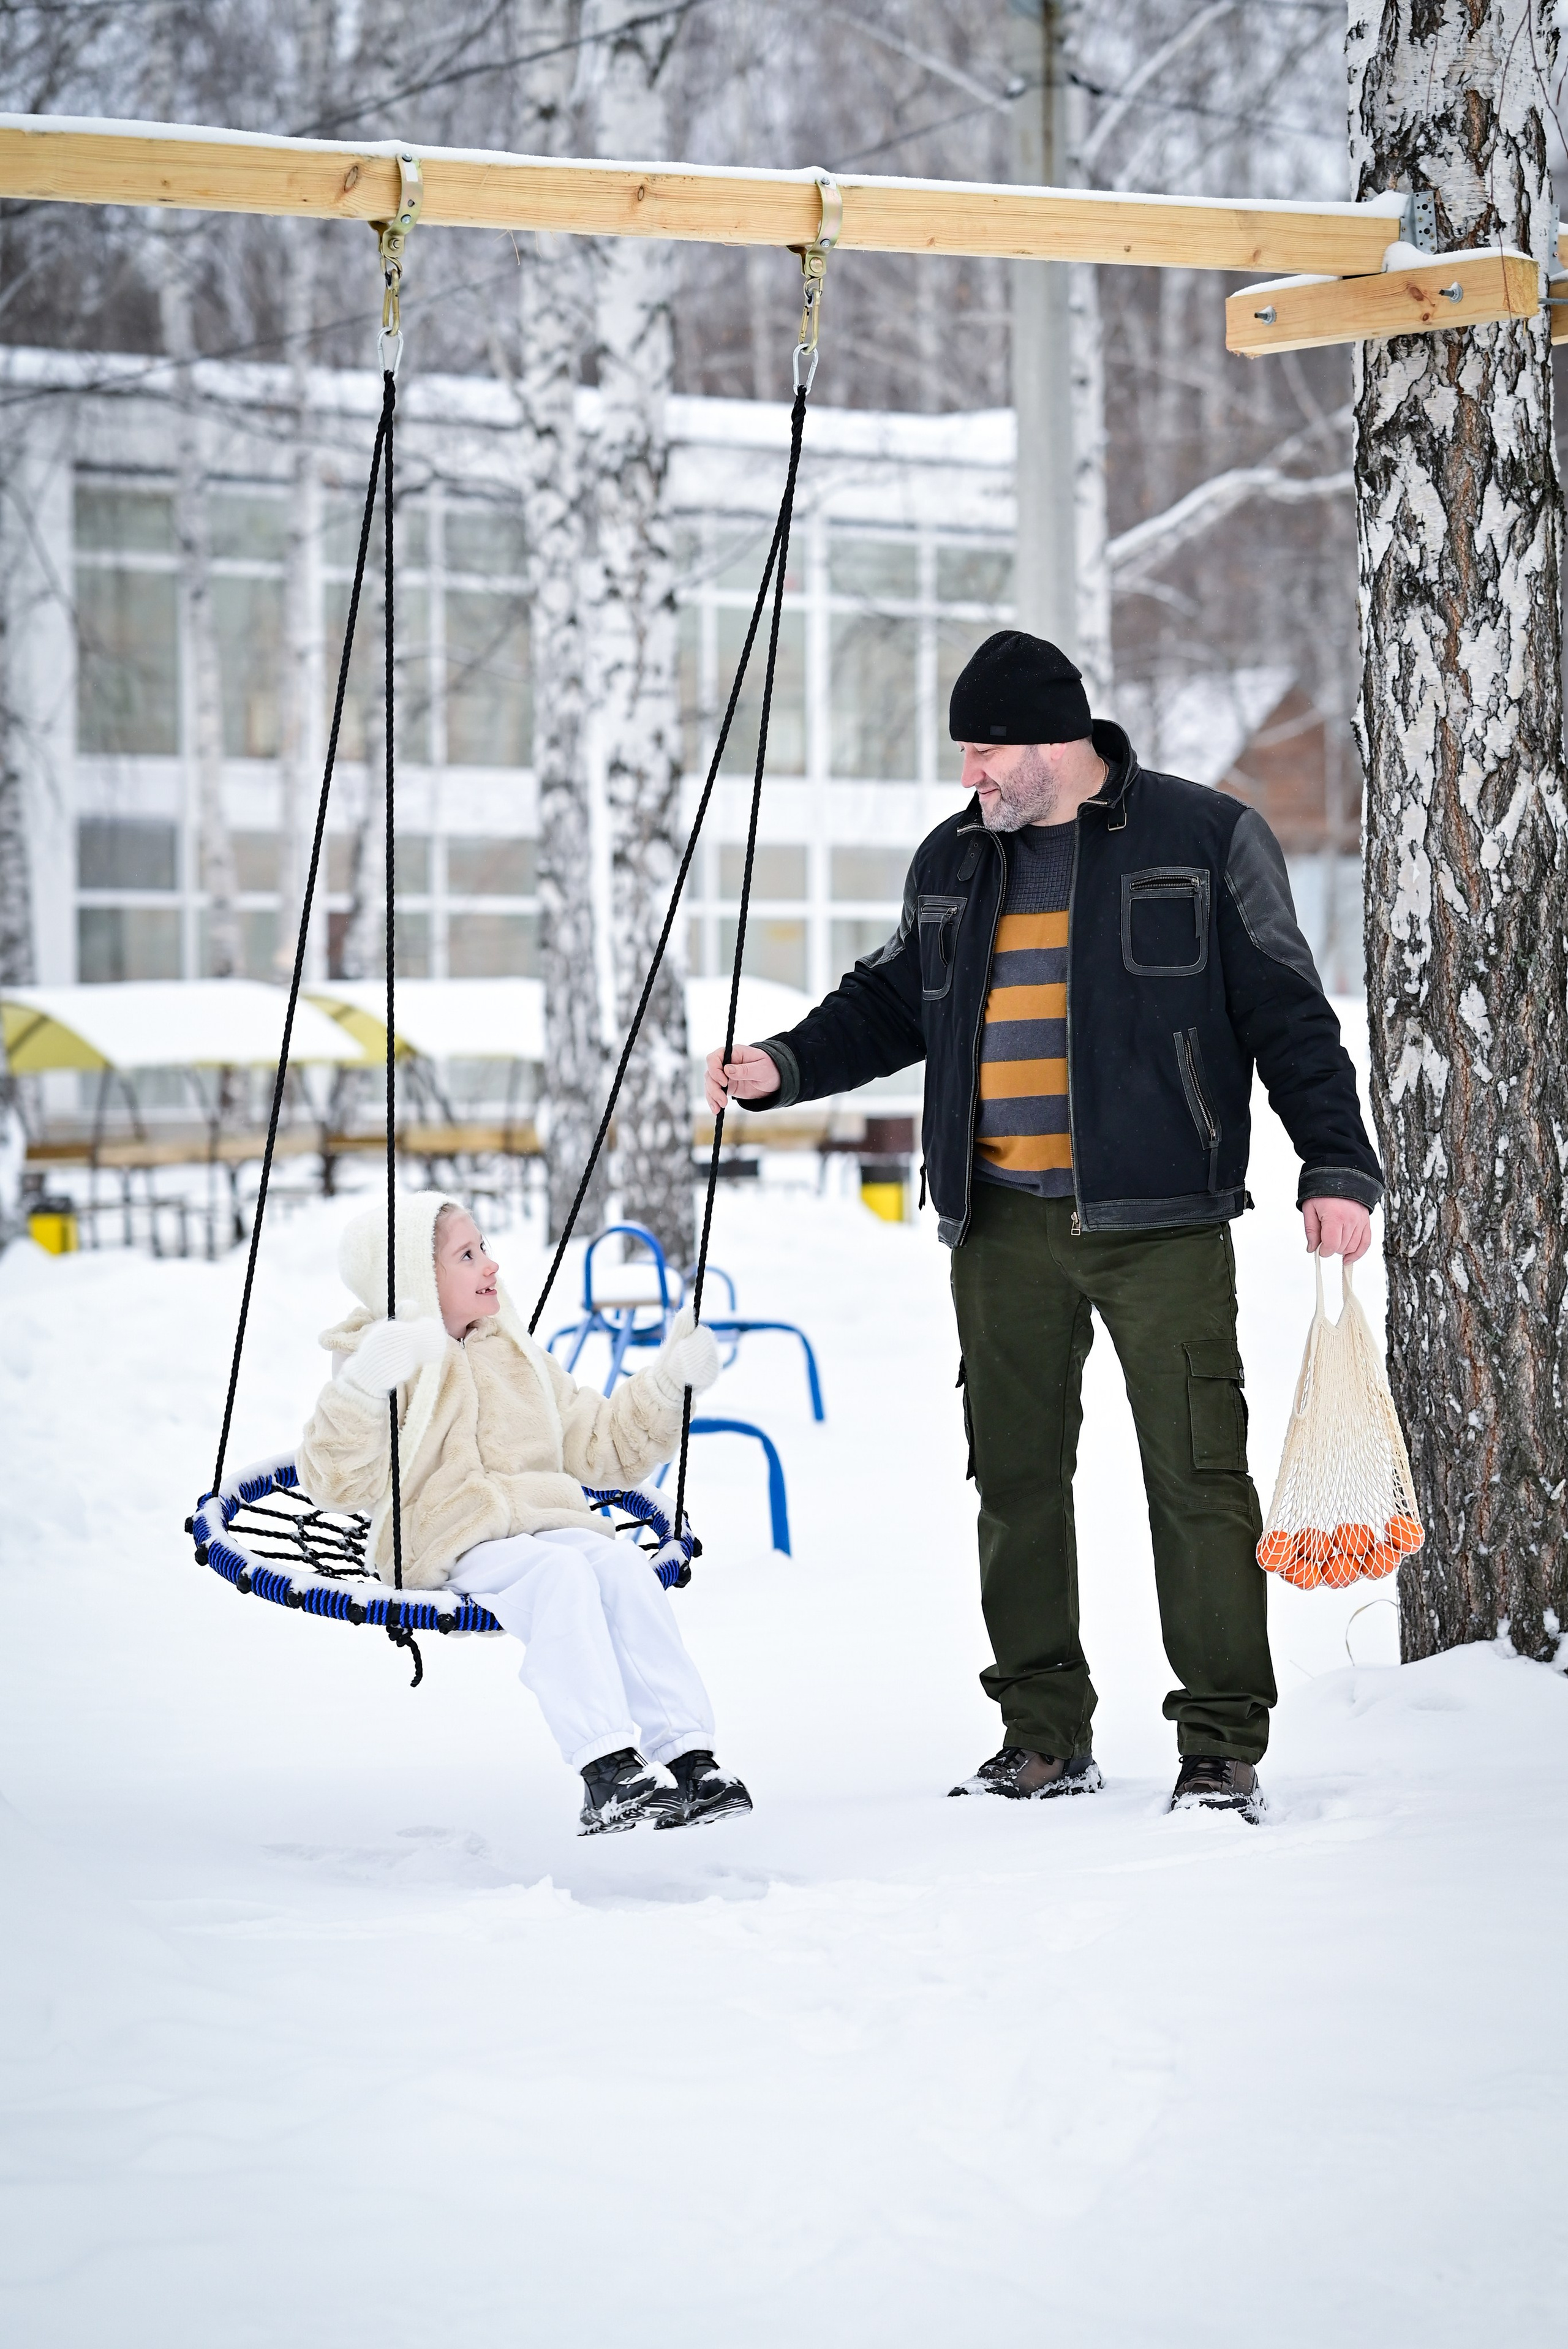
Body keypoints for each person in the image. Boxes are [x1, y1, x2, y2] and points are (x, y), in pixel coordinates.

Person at [705, 631, 1382, 1824]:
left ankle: (1219, 1743)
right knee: (1013, 1479)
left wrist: (1333, 1162)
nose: (970, 775)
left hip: (1160, 1222)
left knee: (1195, 1479)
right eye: (963, 753)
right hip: (998, 1222)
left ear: (1050, 741)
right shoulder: (955, 857)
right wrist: (785, 1063)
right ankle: (1039, 1734)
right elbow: (890, 996)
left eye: (983, 751)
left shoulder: (1205, 837)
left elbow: (1287, 1013)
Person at [298, 1189, 753, 1835]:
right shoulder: (385, 1359)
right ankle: (606, 1773)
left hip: (544, 1522)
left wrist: (669, 1383)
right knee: (558, 1578)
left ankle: (690, 1758)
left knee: (621, 1567)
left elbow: (598, 1442)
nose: (491, 1265)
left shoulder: (514, 1355)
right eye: (467, 1254)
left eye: (483, 1247)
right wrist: (363, 1387)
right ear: (417, 1281)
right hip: (446, 1536)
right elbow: (339, 1482)